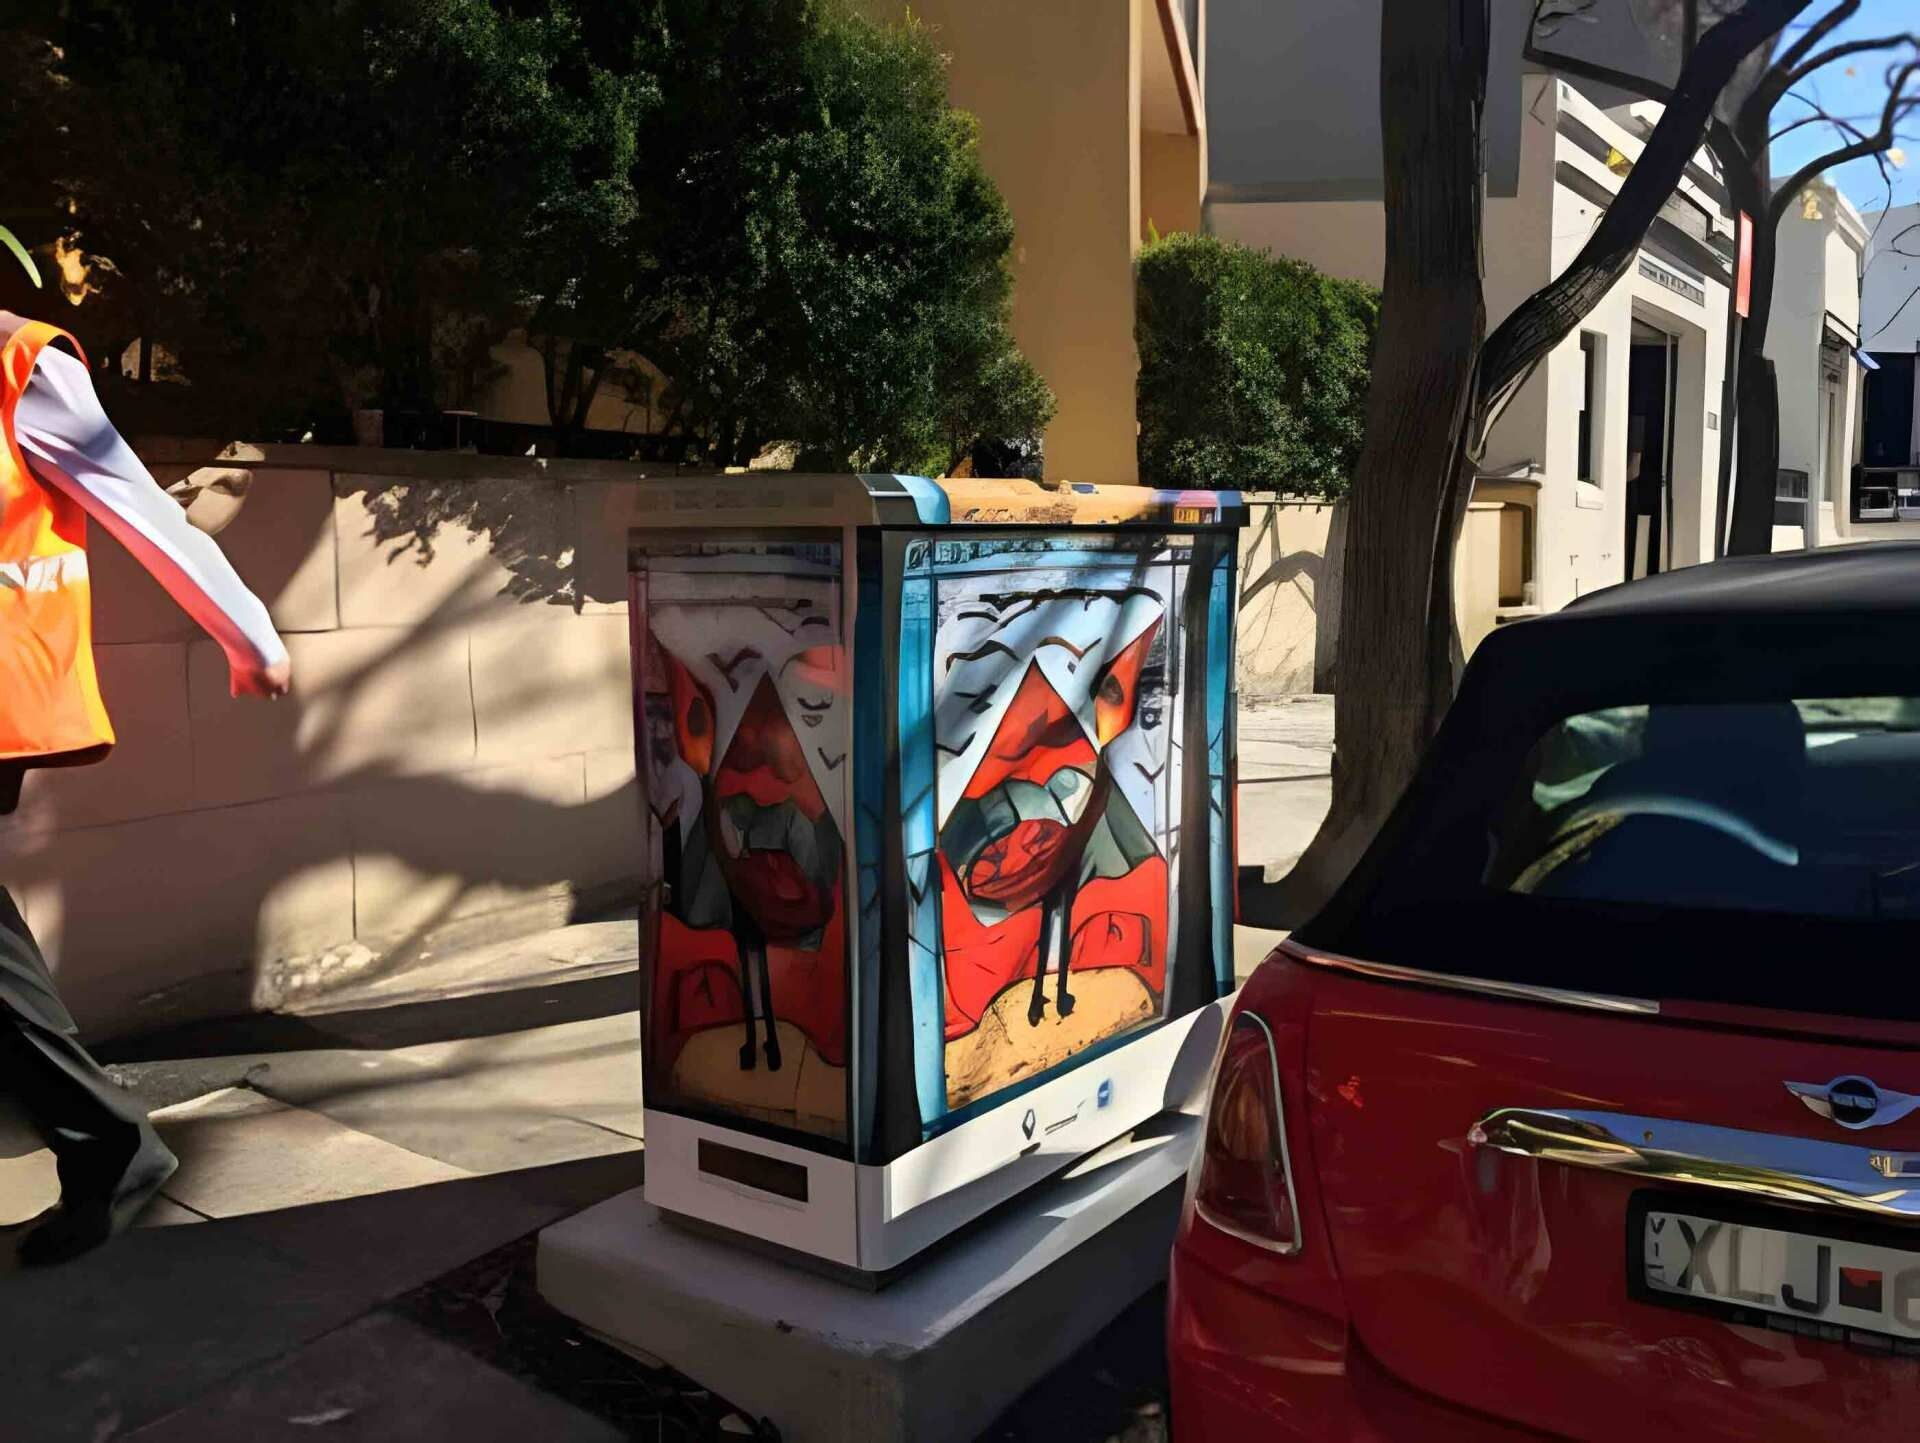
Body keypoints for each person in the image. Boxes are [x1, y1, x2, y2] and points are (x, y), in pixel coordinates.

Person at [0, 260, 290, 1264]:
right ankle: (107, 1143)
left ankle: (109, 1146)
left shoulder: (21, 362)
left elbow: (141, 508)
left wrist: (247, 633)